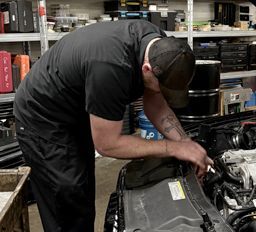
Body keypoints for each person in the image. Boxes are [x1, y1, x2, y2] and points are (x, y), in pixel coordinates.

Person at [14, 20, 213, 232]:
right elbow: (108, 145)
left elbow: (156, 102)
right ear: (147, 69)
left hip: (76, 107)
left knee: (81, 194)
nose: (164, 92)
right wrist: (173, 148)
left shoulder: (161, 46)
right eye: (162, 86)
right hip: (43, 117)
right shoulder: (111, 68)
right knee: (67, 201)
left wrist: (186, 144)